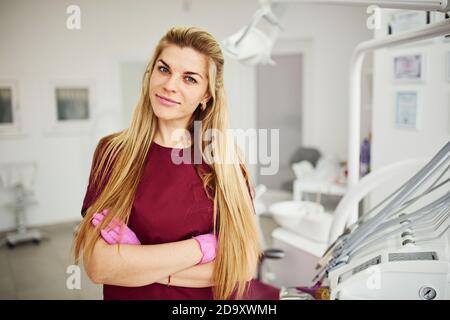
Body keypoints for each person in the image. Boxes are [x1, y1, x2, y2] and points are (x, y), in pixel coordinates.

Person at [72, 26, 262, 300]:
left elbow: (242, 266)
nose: (170, 85)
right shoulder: (112, 152)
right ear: (150, 74)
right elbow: (100, 266)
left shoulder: (224, 163)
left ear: (206, 95)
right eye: (164, 69)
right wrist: (203, 248)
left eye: (190, 79)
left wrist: (136, 264)